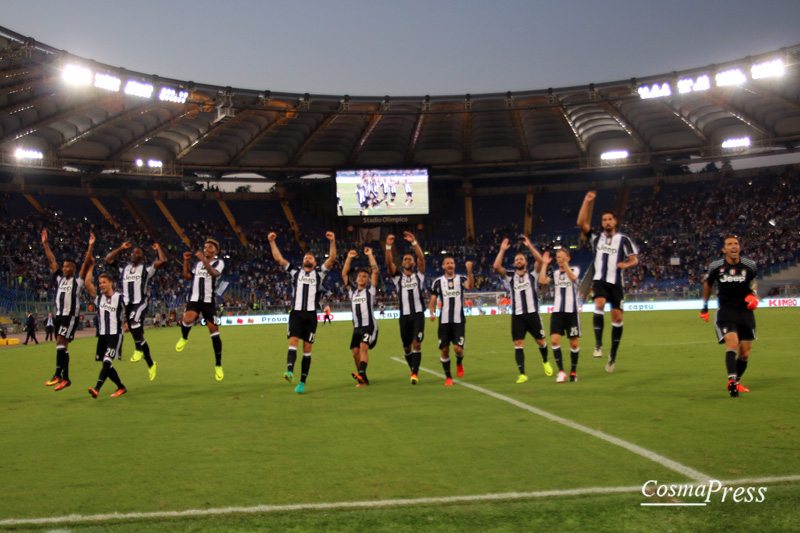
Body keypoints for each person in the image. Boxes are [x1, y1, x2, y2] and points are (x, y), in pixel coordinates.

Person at [577, 190, 639, 373]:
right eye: (604, 220)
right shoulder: (596, 238)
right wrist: (586, 201)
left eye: (609, 219)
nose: (607, 222)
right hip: (600, 281)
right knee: (599, 303)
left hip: (616, 283)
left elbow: (634, 258)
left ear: (615, 221)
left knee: (617, 318)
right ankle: (598, 345)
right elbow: (581, 223)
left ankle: (612, 355)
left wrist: (626, 265)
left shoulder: (623, 239)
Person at [269, 231, 336, 393]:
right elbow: (279, 259)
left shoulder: (319, 272)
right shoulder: (295, 272)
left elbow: (332, 259)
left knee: (307, 348)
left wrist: (332, 241)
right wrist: (272, 242)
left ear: (315, 262)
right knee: (293, 342)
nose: (307, 258)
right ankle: (289, 371)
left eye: (310, 257)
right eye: (305, 257)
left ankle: (303, 381)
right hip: (296, 314)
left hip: (311, 316)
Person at [700, 235, 759, 397]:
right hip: (726, 311)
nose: (734, 246)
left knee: (745, 353)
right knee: (732, 342)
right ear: (724, 249)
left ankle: (737, 381)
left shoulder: (750, 265)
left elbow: (753, 283)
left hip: (745, 311)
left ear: (739, 247)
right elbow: (708, 284)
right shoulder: (716, 266)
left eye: (736, 243)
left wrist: (754, 296)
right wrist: (704, 307)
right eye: (729, 244)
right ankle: (731, 381)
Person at [105, 241, 166, 381]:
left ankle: (138, 349)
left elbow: (162, 260)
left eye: (137, 253)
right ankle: (151, 364)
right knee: (138, 334)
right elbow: (108, 259)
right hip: (128, 305)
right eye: (133, 252)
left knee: (133, 322)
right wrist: (120, 247)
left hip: (140, 302)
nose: (134, 254)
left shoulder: (146, 268)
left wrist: (158, 248)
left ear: (143, 256)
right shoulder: (124, 268)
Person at [493, 236, 550, 383]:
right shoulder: (510, 277)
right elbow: (496, 267)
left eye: (521, 259)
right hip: (517, 316)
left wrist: (530, 245)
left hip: (532, 314)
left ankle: (545, 360)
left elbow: (540, 261)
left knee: (541, 342)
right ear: (514, 263)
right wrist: (502, 250)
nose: (518, 261)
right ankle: (522, 373)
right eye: (517, 260)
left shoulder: (532, 274)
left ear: (525, 262)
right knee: (518, 344)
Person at [42, 230, 94, 391]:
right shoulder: (60, 279)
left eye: (67, 267)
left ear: (73, 268)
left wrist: (90, 246)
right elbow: (51, 261)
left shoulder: (77, 281)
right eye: (63, 266)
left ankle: (57, 374)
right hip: (59, 316)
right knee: (63, 347)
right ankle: (66, 378)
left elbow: (85, 265)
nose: (63, 268)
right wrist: (45, 243)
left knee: (60, 340)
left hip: (70, 317)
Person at [175, 239, 226, 381]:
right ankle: (184, 337)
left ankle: (218, 365)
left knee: (214, 332)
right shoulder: (197, 264)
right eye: (205, 246)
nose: (206, 248)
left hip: (209, 301)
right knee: (187, 319)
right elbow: (187, 277)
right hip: (195, 300)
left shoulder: (219, 263)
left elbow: (214, 274)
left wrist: (203, 260)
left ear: (215, 251)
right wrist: (185, 261)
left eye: (209, 247)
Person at [385, 232, 427, 384]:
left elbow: (422, 258)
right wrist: (388, 246)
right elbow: (389, 264)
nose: (407, 260)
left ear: (413, 263)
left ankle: (414, 374)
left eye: (410, 259)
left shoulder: (419, 276)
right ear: (402, 264)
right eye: (405, 259)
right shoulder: (397, 278)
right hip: (404, 317)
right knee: (407, 348)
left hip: (418, 315)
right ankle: (412, 369)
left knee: (417, 344)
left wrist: (414, 242)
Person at [84, 267, 128, 398]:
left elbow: (131, 309)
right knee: (105, 364)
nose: (101, 285)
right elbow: (87, 284)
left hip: (115, 334)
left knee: (107, 361)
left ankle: (97, 388)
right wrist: (90, 266)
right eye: (99, 283)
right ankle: (121, 387)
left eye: (103, 282)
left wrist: (129, 322)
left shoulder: (120, 297)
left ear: (110, 283)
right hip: (102, 335)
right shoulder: (99, 299)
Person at [429, 257, 474, 386]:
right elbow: (433, 300)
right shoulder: (437, 282)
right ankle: (448, 377)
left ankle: (459, 362)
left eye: (452, 263)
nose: (450, 265)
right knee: (444, 350)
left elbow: (470, 286)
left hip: (458, 321)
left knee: (458, 349)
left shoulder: (461, 279)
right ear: (443, 266)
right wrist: (432, 313)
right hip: (443, 322)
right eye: (447, 263)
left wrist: (469, 271)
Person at [539, 249, 581, 383]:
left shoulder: (574, 269)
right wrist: (545, 264)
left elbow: (573, 278)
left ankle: (573, 372)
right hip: (557, 312)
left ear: (568, 258)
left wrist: (565, 266)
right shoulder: (555, 273)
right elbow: (542, 280)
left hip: (572, 312)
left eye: (562, 257)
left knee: (574, 344)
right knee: (555, 341)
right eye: (557, 257)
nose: (559, 259)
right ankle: (561, 371)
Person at [342, 247, 380, 387]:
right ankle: (363, 378)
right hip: (357, 327)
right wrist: (349, 258)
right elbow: (344, 274)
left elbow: (375, 271)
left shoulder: (370, 291)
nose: (362, 278)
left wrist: (370, 254)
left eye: (365, 276)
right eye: (360, 276)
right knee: (355, 352)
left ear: (368, 279)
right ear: (357, 279)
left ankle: (362, 374)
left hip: (369, 326)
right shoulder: (352, 292)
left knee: (364, 347)